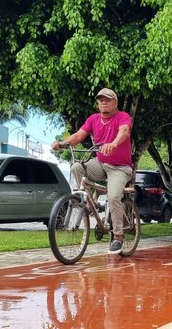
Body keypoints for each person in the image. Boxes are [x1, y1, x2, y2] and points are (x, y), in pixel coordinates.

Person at [52, 88, 133, 254]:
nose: (103, 102)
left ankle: (118, 236)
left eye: (108, 99)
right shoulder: (93, 119)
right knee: (76, 167)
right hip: (100, 163)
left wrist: (114, 143)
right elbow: (78, 136)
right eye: (101, 99)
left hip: (120, 168)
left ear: (115, 102)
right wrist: (61, 144)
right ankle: (90, 204)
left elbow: (124, 131)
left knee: (113, 197)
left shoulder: (122, 117)